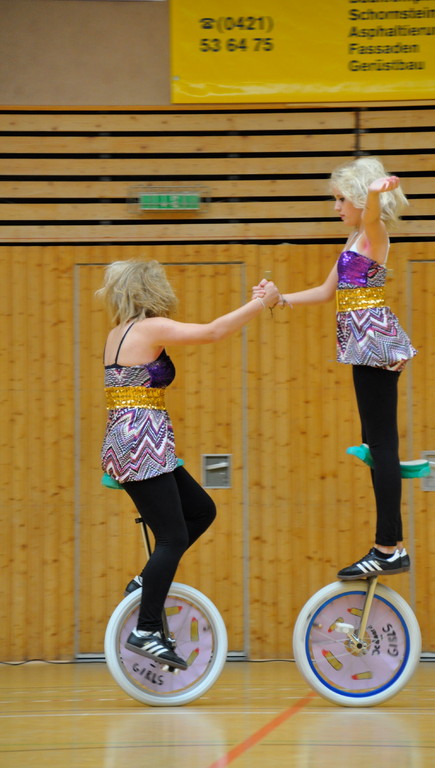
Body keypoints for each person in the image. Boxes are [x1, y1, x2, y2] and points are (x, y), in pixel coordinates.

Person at [97, 259, 279, 668]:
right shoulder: (148, 328)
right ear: (150, 290)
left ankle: (146, 581)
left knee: (201, 510)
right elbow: (213, 332)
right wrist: (259, 303)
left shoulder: (116, 333)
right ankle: (145, 629)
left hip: (136, 438)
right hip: (141, 441)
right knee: (173, 538)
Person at [254, 156, 416, 580]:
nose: (335, 206)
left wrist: (377, 196)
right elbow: (327, 292)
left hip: (374, 343)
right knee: (375, 443)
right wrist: (279, 298)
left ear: (361, 199)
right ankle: (389, 542)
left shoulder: (373, 235)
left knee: (382, 446)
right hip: (362, 346)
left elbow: (375, 220)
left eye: (341, 198)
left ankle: (388, 547)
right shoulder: (351, 243)